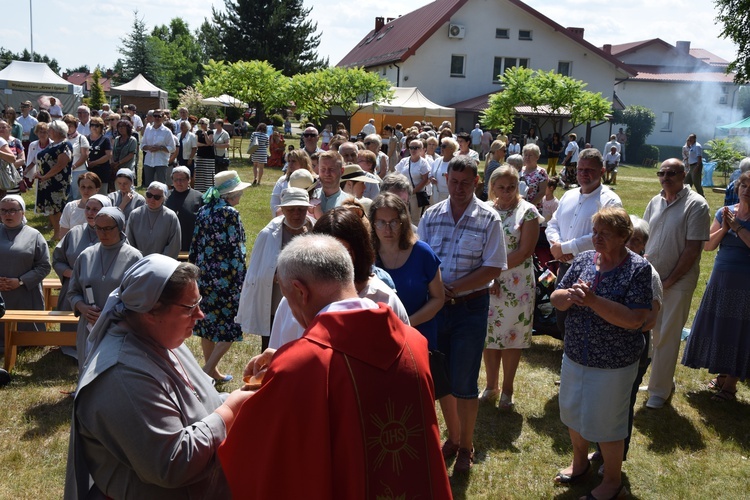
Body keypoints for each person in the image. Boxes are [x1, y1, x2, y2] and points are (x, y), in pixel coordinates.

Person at [219, 234, 451, 499]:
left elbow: (263, 460)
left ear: (300, 291)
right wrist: (294, 358)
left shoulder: (299, 367)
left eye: (287, 297)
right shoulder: (414, 344)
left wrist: (230, 409)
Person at [64, 255, 253, 499]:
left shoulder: (162, 339)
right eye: (190, 308)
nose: (201, 315)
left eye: (199, 302)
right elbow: (173, 464)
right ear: (151, 311)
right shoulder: (120, 375)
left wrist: (249, 395)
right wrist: (232, 409)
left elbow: (200, 400)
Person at [550, 207, 653, 500]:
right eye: (595, 232)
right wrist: (568, 296)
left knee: (608, 423)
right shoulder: (583, 260)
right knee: (573, 412)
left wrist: (594, 301)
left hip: (613, 363)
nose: (596, 238)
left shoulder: (637, 269)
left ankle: (611, 481)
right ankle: (580, 463)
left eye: (604, 234)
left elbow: (636, 319)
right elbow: (556, 297)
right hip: (576, 355)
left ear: (623, 237)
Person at [418, 155, 507, 472]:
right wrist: (440, 290)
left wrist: (451, 287)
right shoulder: (431, 215)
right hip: (436, 309)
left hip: (469, 308)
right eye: (453, 182)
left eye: (465, 183)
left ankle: (466, 446)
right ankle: (453, 438)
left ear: (476, 183)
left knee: (465, 381)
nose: (458, 188)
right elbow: (421, 259)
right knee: (441, 380)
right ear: (445, 180)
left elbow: (494, 267)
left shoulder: (488, 218)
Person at [267, 207, 410, 349]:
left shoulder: (384, 299)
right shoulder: (294, 300)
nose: (333, 264)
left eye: (343, 253)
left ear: (359, 252)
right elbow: (278, 352)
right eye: (324, 257)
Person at [642, 158, 710, 409]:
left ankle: (659, 392)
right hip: (653, 278)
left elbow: (693, 249)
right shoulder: (655, 201)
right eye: (662, 173)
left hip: (678, 282)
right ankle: (660, 382)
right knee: (652, 332)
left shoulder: (697, 205)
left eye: (672, 173)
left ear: (684, 175)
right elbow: (645, 237)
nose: (665, 177)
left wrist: (669, 281)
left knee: (668, 336)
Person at [681, 171, 750, 401]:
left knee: (739, 330)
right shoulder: (725, 212)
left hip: (745, 283)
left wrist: (738, 228)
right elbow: (708, 246)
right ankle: (722, 376)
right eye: (744, 185)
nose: (746, 190)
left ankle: (730, 386)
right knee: (721, 325)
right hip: (721, 279)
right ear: (737, 188)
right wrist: (725, 228)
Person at [482, 166, 542, 409]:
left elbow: (525, 251)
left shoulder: (528, 212)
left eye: (512, 187)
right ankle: (490, 386)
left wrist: (494, 271)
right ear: (492, 188)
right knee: (489, 336)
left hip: (517, 284)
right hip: (489, 281)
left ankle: (507, 389)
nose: (507, 192)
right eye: (501, 188)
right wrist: (488, 278)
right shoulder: (485, 210)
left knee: (511, 336)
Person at [546, 148, 622, 337]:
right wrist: (556, 246)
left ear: (602, 172)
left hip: (592, 271)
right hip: (564, 266)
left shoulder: (610, 201)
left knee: (586, 321)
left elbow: (604, 236)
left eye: (590, 170)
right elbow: (553, 223)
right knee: (562, 317)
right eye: (580, 169)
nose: (583, 174)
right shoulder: (569, 195)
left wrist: (565, 248)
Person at [237, 187, 314, 352]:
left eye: (301, 209)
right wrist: (276, 276)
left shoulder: (316, 230)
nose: (296, 214)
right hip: (276, 302)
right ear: (283, 210)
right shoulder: (269, 234)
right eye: (291, 209)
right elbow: (256, 272)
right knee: (272, 346)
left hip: (308, 304)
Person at [190, 170, 250, 382]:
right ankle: (206, 373)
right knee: (232, 326)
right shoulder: (230, 214)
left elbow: (195, 246)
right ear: (230, 195)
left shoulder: (204, 210)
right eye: (238, 192)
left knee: (208, 325)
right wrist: (241, 279)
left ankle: (212, 372)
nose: (240, 196)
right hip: (226, 279)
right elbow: (236, 250)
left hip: (204, 276)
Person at [67, 208, 142, 371]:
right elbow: (73, 292)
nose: (103, 233)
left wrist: (110, 314)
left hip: (118, 326)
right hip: (89, 325)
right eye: (98, 228)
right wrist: (82, 307)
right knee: (87, 367)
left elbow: (138, 299)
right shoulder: (86, 255)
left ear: (120, 227)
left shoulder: (134, 257)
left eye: (108, 228)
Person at [370, 192, 444, 348]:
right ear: (372, 224)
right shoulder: (367, 256)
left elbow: (438, 298)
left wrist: (406, 323)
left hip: (419, 337)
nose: (387, 229)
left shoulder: (423, 253)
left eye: (394, 222)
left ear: (403, 222)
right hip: (378, 340)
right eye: (381, 223)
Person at [0, 195, 51, 346]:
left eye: (13, 210)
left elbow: (44, 266)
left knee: (27, 333)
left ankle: (26, 341)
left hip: (25, 292)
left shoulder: (34, 235)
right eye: (3, 211)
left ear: (22, 213)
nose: (8, 214)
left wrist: (20, 281)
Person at [53, 194, 112, 317]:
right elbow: (57, 260)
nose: (90, 212)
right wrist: (71, 273)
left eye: (95, 210)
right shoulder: (74, 233)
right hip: (74, 290)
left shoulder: (114, 236)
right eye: (87, 208)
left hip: (101, 292)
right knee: (69, 333)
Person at [35, 119, 73, 239]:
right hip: (46, 182)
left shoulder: (65, 145)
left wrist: (45, 176)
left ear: (58, 131)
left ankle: (60, 233)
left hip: (57, 182)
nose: (48, 131)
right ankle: (57, 232)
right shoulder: (52, 144)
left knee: (57, 208)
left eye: (50, 129)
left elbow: (60, 165)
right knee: (51, 208)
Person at [126, 182, 181, 259]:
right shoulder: (135, 214)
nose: (152, 199)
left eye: (157, 197)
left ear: (163, 199)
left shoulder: (171, 216)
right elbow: (129, 241)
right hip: (138, 263)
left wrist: (160, 262)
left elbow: (174, 245)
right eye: (149, 195)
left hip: (162, 264)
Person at [165, 166, 203, 252]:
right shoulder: (165, 197)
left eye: (182, 179)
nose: (179, 182)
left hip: (192, 243)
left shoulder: (199, 197)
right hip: (170, 243)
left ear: (189, 179)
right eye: (175, 180)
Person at [395, 139, 431, 224]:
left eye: (416, 148)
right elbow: (397, 174)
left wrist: (413, 191)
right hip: (403, 193)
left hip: (416, 195)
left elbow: (425, 179)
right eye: (411, 148)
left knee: (415, 219)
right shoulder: (404, 161)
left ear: (422, 149)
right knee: (403, 216)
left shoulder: (423, 163)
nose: (413, 150)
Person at [270, 149, 314, 216]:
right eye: (289, 161)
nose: (290, 164)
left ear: (303, 162)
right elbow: (274, 203)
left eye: (293, 161)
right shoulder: (282, 180)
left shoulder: (312, 181)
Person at [59, 172, 101, 238]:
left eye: (90, 187)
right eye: (83, 187)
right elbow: (63, 235)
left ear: (97, 190)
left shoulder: (102, 208)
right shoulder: (70, 207)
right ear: (79, 188)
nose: (86, 190)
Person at [140, 109, 175, 186]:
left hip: (161, 161)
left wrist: (160, 148)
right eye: (155, 116)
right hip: (148, 161)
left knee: (161, 185)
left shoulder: (167, 131)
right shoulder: (148, 129)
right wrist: (149, 147)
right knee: (148, 185)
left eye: (159, 116)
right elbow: (142, 145)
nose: (157, 118)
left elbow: (172, 148)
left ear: (163, 118)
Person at [62, 114, 90, 202]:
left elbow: (84, 155)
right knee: (67, 195)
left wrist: (73, 166)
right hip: (65, 171)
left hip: (79, 171)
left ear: (75, 126)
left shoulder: (81, 138)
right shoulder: (62, 139)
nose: (68, 128)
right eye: (66, 126)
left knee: (77, 195)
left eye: (70, 126)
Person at [85, 117, 112, 194]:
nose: (94, 127)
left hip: (101, 171)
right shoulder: (85, 138)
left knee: (101, 194)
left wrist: (95, 163)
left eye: (97, 126)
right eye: (92, 125)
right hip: (88, 170)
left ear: (101, 127)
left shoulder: (105, 139)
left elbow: (108, 155)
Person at [521, 143, 548, 208]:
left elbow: (542, 192)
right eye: (526, 155)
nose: (527, 157)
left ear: (537, 157)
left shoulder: (541, 172)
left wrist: (530, 206)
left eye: (530, 155)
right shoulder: (520, 170)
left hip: (533, 208)